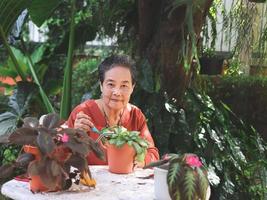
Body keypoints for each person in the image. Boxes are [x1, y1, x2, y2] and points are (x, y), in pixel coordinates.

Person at [67, 55, 159, 168]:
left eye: (124, 85)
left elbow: (152, 153)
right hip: (91, 183)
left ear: (132, 88)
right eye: (111, 84)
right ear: (101, 86)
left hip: (127, 182)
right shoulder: (83, 113)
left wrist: (142, 161)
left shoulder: (136, 115)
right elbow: (61, 153)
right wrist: (75, 135)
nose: (117, 92)